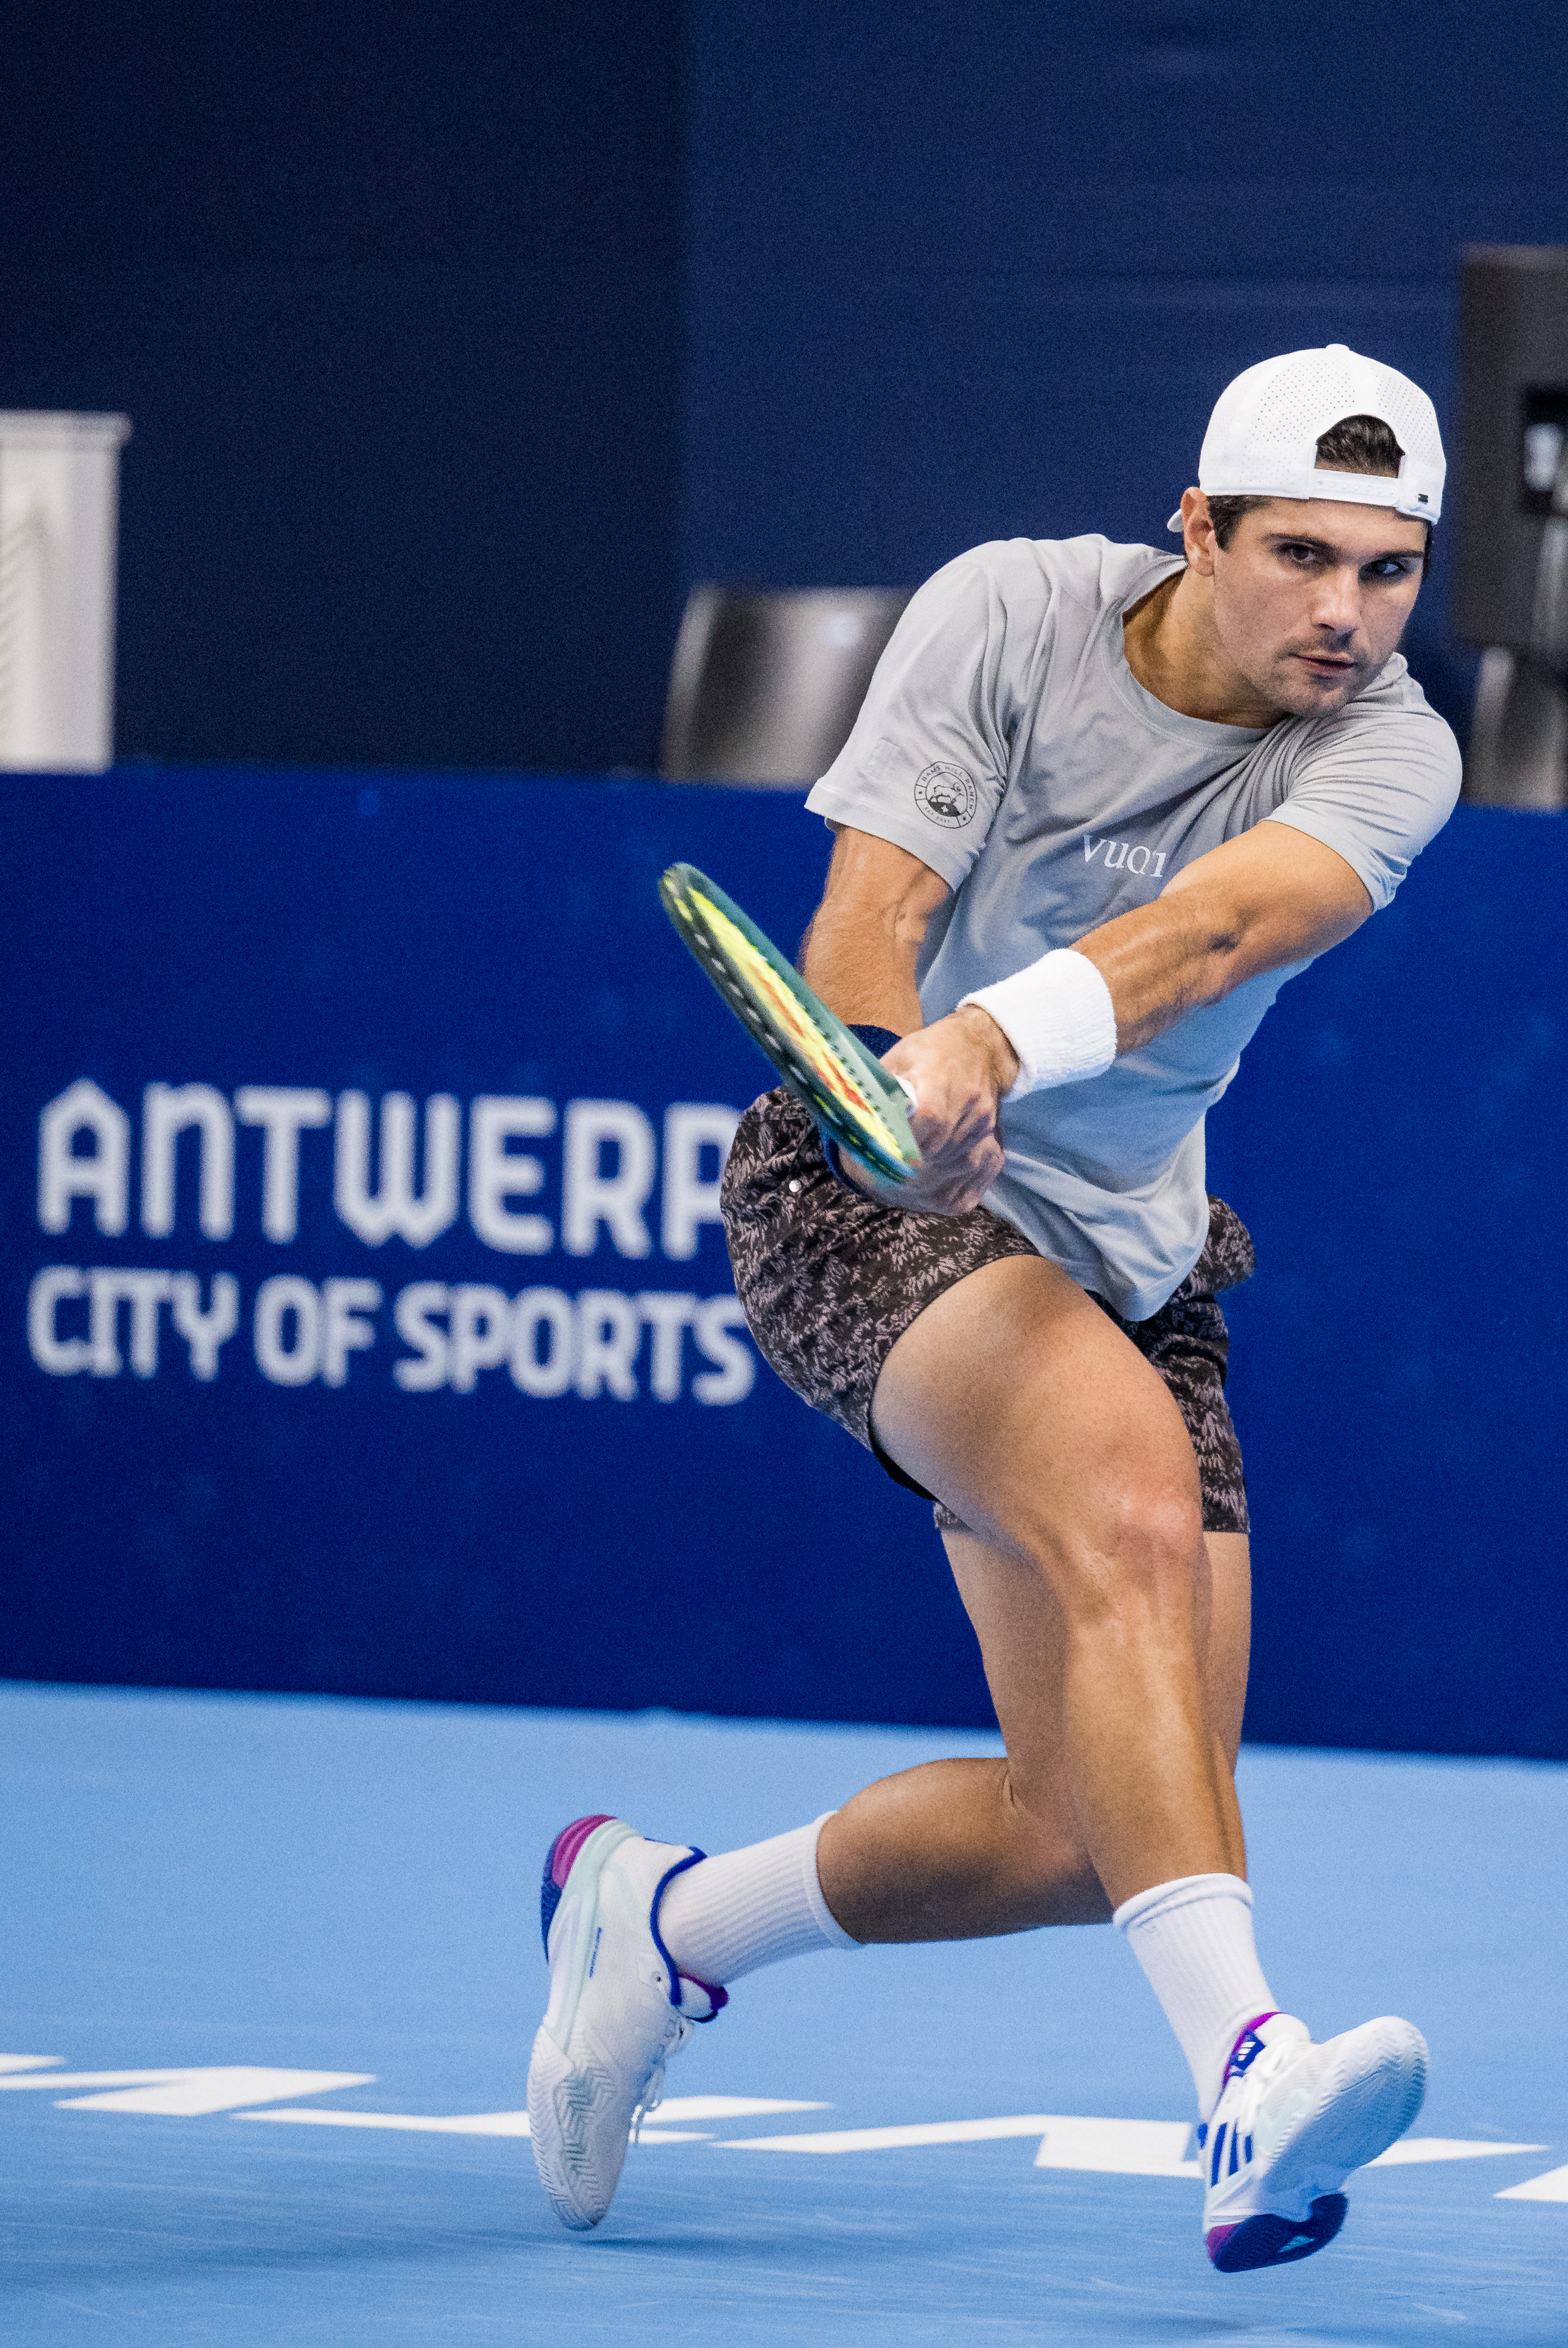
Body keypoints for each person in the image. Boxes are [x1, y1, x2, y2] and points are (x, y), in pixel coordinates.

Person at [528, 346, 1463, 2275]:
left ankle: (664, 1921)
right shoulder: (1011, 608)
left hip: (1129, 1251)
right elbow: (866, 924)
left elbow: (1212, 927)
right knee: (1124, 1501)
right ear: (1192, 528)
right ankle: (1245, 2068)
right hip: (849, 1188)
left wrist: (987, 1038)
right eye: (1299, 554)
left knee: (1084, 1826)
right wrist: (895, 1085)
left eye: (1389, 571)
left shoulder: (1396, 750)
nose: (1343, 613)